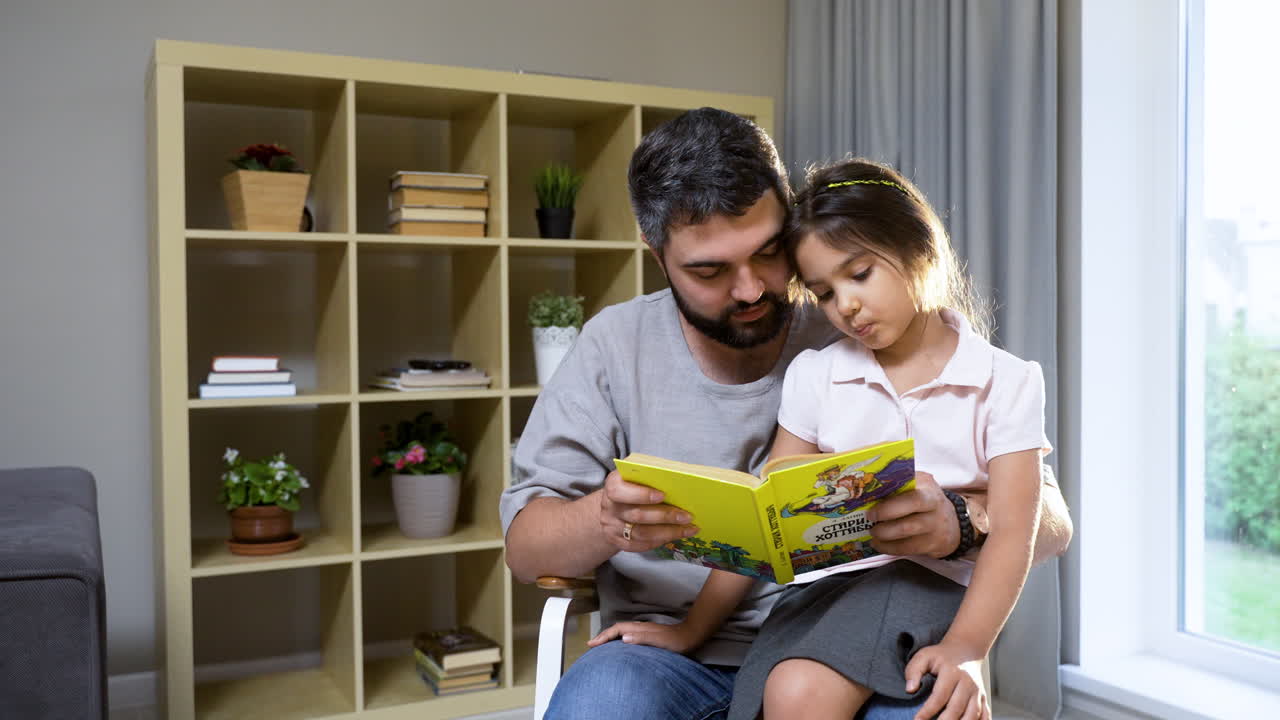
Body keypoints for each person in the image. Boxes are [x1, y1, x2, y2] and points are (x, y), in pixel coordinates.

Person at [499, 108, 1073, 720]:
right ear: (656, 253)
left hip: (879, 625)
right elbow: (526, 551)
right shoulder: (620, 346)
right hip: (677, 651)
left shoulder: (881, 335)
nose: (751, 290)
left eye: (770, 254)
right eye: (710, 270)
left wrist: (963, 522)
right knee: (602, 703)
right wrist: (607, 519)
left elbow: (1048, 522)